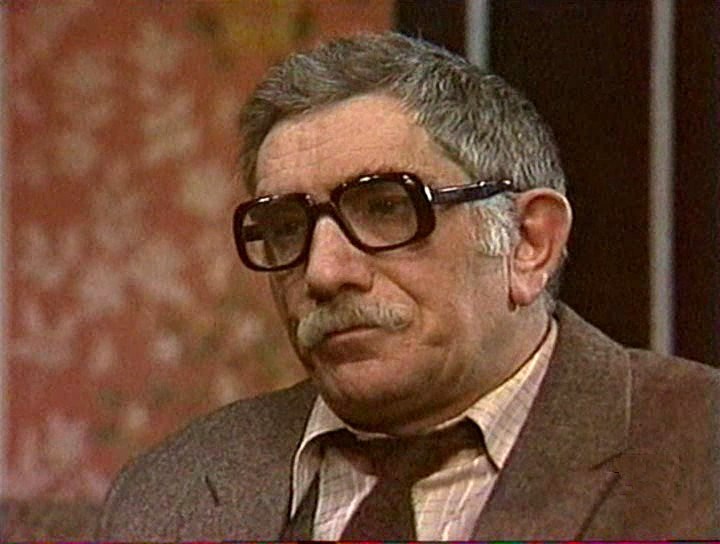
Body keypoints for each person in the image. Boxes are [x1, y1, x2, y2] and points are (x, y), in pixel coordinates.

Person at [97, 32, 720, 540]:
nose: (323, 273)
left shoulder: (699, 452)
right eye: (286, 228)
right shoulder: (172, 491)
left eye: (386, 209)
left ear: (530, 243)